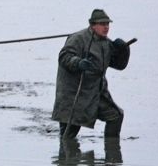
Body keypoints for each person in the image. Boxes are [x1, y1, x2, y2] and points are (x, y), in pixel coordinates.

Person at [51, 8, 130, 139]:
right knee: (68, 135)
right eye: (102, 24)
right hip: (75, 95)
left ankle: (112, 150)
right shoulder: (78, 38)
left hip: (97, 93)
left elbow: (119, 65)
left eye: (107, 24)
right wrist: (78, 63)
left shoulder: (107, 43)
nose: (106, 27)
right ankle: (66, 157)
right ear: (93, 25)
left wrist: (124, 51)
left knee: (115, 116)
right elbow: (64, 57)